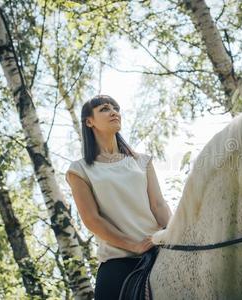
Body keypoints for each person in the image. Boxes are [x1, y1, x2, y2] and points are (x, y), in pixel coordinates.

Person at [65, 95, 172, 299]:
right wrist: (133, 245)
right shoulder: (79, 170)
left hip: (160, 251)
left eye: (116, 108)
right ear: (89, 121)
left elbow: (158, 205)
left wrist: (174, 235)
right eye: (105, 109)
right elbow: (92, 219)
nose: (114, 112)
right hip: (118, 261)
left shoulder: (142, 161)